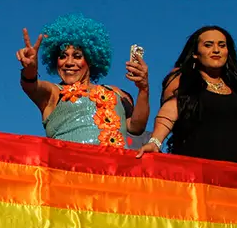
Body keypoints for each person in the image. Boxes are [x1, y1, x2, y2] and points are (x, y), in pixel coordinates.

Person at [136, 26, 237, 182]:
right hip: (196, 173)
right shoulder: (182, 77)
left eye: (221, 45)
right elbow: (172, 109)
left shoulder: (236, 89)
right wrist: (155, 142)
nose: (216, 50)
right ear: (195, 53)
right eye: (208, 45)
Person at [16, 13, 149, 148]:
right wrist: (30, 69)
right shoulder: (53, 93)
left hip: (116, 167)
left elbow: (136, 127)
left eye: (77, 56)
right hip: (70, 167)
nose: (69, 62)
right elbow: (31, 85)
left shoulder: (118, 93)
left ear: (91, 59)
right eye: (62, 56)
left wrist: (144, 89)